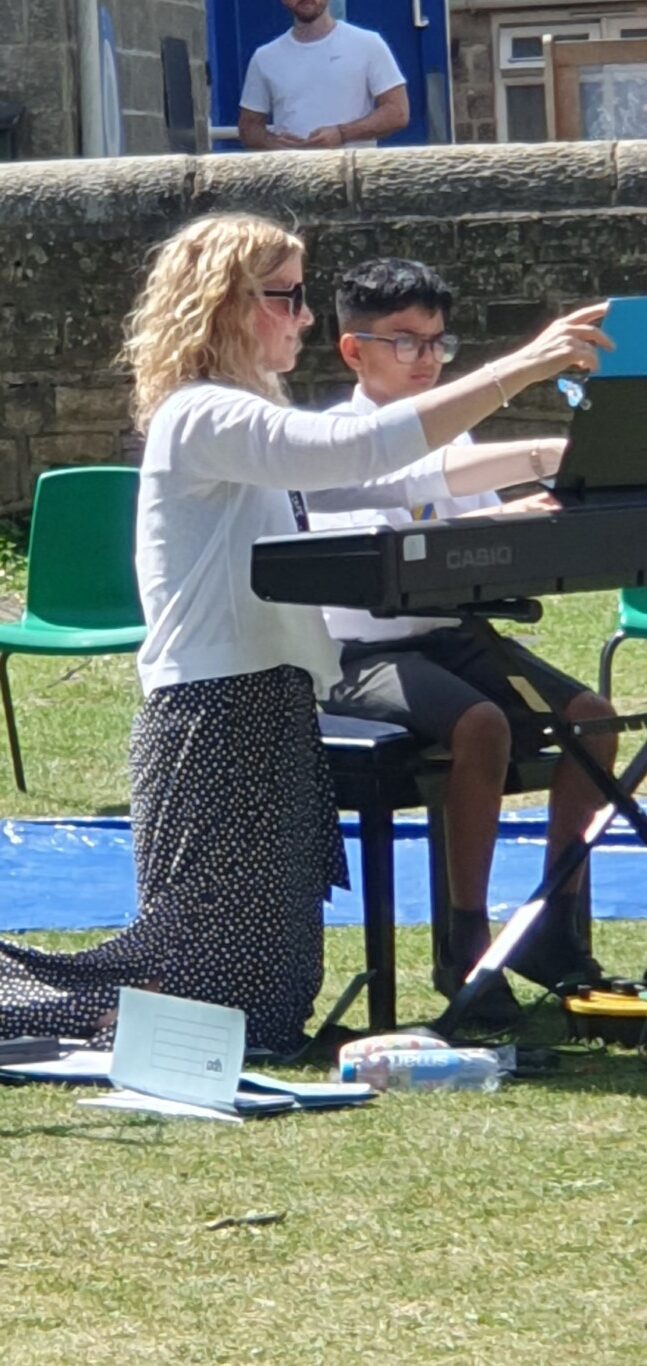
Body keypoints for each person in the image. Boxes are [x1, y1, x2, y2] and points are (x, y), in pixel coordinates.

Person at [0, 218, 611, 1051]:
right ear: (226, 303)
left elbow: (397, 475)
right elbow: (357, 448)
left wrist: (553, 451)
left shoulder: (242, 414)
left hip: (268, 698)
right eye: (286, 297)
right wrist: (522, 366)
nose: (306, 317)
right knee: (201, 996)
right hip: (214, 716)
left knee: (269, 1000)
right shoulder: (204, 413)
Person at [308, 257, 618, 1025]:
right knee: (479, 725)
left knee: (593, 719)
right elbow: (390, 555)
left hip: (454, 634)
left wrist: (525, 518)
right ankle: (465, 941)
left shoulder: (458, 430)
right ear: (353, 350)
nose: (426, 360)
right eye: (405, 342)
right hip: (364, 652)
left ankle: (551, 923)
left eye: (438, 343)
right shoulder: (332, 439)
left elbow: (472, 543)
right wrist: (497, 514)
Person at [238, 0, 409, 152]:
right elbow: (249, 127)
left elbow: (397, 112)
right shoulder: (265, 57)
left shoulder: (368, 44)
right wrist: (275, 145)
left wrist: (342, 134)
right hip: (292, 174)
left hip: (353, 173)